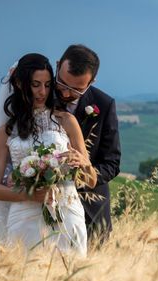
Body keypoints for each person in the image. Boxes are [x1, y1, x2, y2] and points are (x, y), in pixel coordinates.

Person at [0, 53, 97, 255]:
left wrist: (83, 163)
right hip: (24, 219)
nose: (42, 92)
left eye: (47, 84)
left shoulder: (67, 121)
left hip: (66, 214)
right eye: (35, 85)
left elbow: (91, 180)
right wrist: (31, 194)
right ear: (19, 84)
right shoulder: (7, 132)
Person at [54, 44, 121, 244]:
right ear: (58, 66)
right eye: (63, 84)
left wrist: (86, 173)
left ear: (91, 82)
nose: (66, 94)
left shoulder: (104, 104)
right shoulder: (40, 94)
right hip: (42, 203)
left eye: (76, 90)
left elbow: (112, 162)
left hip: (91, 208)